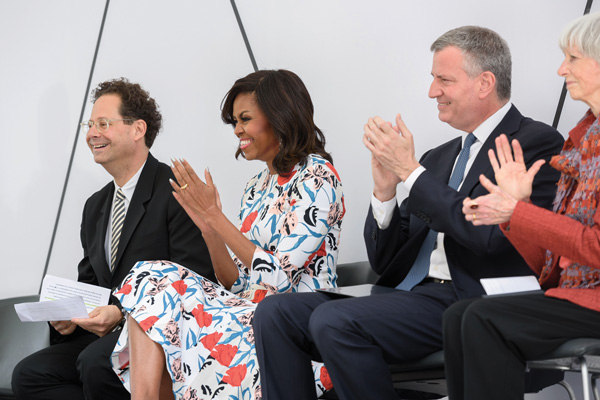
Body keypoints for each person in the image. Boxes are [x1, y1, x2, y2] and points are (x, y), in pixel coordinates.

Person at [252, 26, 565, 400]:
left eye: (443, 80)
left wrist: (411, 173)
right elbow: (386, 261)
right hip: (410, 298)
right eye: (433, 79)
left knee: (334, 321)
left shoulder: (535, 143)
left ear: (484, 83)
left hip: (470, 301)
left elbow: (488, 238)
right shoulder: (437, 158)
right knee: (274, 313)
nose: (432, 91)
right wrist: (385, 192)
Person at [109, 69, 345, 400]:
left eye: (245, 119)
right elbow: (235, 282)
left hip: (294, 326)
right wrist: (209, 230)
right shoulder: (255, 187)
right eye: (235, 121)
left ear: (280, 116)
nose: (237, 130)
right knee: (151, 276)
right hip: (248, 313)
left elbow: (278, 279)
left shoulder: (318, 177)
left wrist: (216, 218)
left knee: (164, 309)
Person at [11, 78, 214, 400]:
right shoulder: (95, 205)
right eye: (89, 124)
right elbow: (91, 283)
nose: (92, 133)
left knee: (96, 362)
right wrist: (69, 318)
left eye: (103, 123)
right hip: (105, 333)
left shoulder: (176, 191)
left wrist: (121, 313)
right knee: (30, 375)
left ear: (138, 130)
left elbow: (196, 276)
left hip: (158, 334)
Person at [444, 12, 600, 400]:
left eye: (573, 58)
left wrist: (519, 213)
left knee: (482, 318)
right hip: (575, 295)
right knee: (458, 315)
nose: (561, 68)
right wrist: (519, 209)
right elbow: (550, 265)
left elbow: (595, 247)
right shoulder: (580, 144)